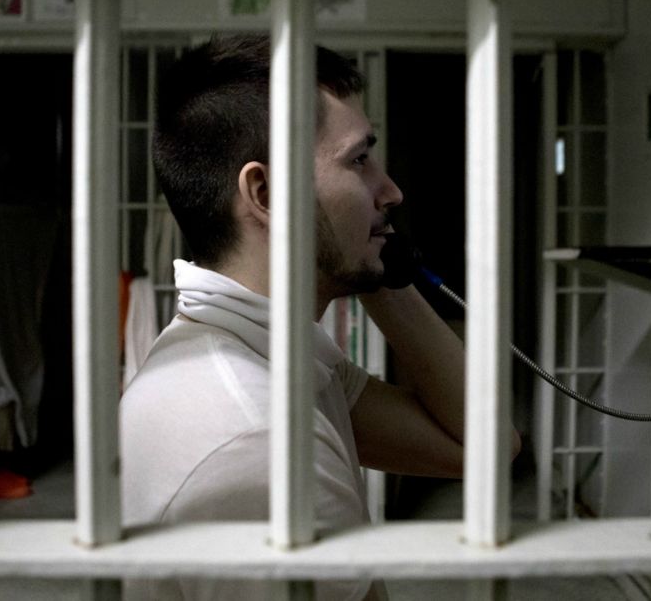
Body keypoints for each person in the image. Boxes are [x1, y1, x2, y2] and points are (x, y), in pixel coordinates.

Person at [120, 35, 520, 601]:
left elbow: (483, 446)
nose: (392, 191)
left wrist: (378, 267)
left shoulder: (260, 351)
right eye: (359, 161)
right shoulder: (256, 437)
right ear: (266, 194)